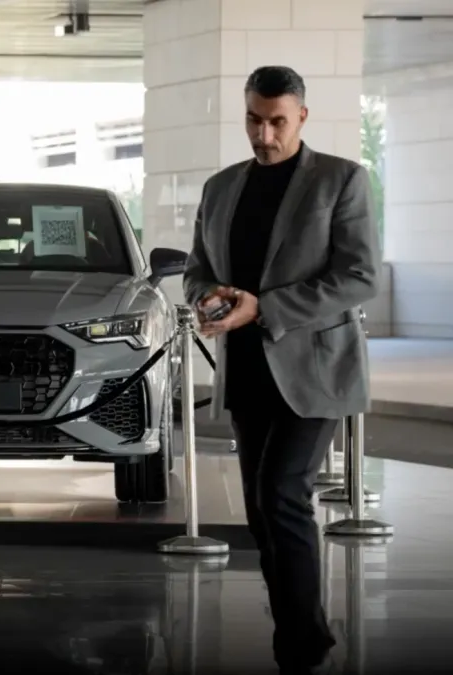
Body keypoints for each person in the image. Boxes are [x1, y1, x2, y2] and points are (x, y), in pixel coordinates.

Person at [183, 66, 380, 674]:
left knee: (282, 493)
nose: (264, 134)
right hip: (246, 369)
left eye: (277, 122)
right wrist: (206, 298)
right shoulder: (221, 188)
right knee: (259, 508)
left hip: (316, 370)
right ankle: (297, 629)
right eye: (253, 119)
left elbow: (359, 276)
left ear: (301, 117)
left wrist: (264, 306)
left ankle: (302, 644)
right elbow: (197, 268)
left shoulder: (341, 180)